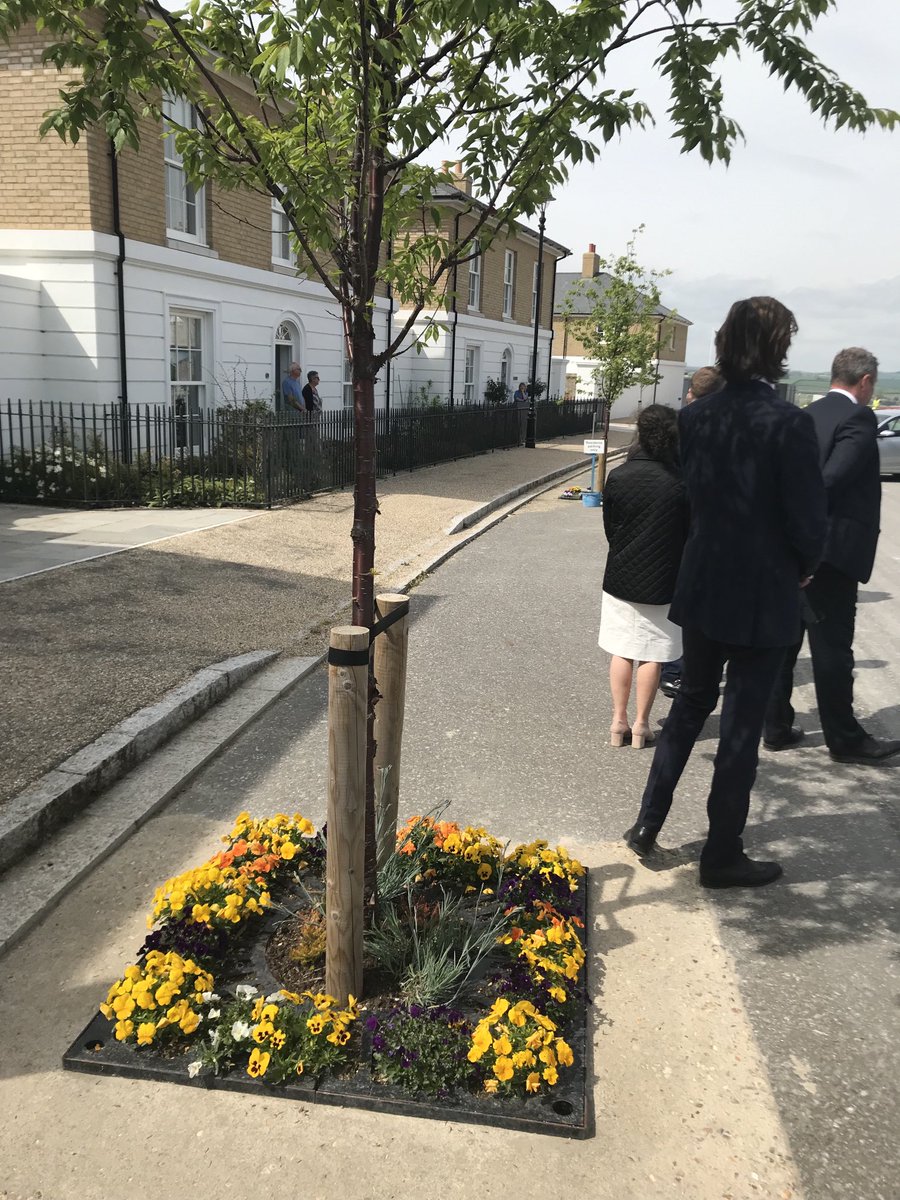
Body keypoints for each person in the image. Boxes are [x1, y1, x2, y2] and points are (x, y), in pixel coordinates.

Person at [624, 296, 827, 889]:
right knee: (740, 722)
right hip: (763, 590)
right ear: (777, 347)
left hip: (705, 580)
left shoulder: (696, 418)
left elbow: (697, 499)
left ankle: (648, 823)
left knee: (689, 707)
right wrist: (806, 565)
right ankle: (721, 852)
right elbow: (809, 522)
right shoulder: (789, 422)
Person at [764, 348, 900, 764]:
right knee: (832, 650)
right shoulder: (857, 417)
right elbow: (829, 479)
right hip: (830, 553)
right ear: (865, 382)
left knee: (786, 644)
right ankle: (845, 739)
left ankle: (776, 726)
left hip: (793, 550)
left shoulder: (806, 415)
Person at [598, 404, 688, 749]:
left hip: (621, 573)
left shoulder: (618, 476)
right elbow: (688, 532)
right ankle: (640, 725)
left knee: (622, 649)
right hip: (665, 578)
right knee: (653, 653)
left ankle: (617, 721)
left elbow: (610, 526)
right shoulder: (681, 481)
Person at [661, 365, 725, 698]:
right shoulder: (720, 430)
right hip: (700, 526)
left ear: (690, 392)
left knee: (678, 600)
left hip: (675, 519)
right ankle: (682, 669)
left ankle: (673, 668)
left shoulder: (678, 424)